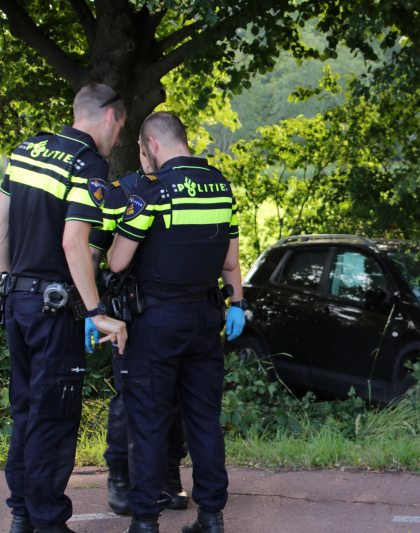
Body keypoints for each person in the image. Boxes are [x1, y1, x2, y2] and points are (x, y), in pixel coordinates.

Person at [0, 84, 128, 533]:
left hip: (17, 301)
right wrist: (93, 311)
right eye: (121, 127)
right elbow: (74, 242)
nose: (119, 139)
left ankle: (21, 514)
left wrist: (11, 280)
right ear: (110, 117)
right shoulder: (88, 163)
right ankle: (48, 521)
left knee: (27, 407)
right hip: (55, 308)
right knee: (54, 412)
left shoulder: (27, 150)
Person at [106, 111, 245, 533]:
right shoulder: (221, 188)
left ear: (151, 144)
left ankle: (145, 521)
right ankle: (211, 517)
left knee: (148, 422)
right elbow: (230, 262)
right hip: (206, 319)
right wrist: (237, 302)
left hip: (155, 322)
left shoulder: (153, 191)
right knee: (203, 419)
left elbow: (117, 261)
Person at [85, 156, 189, 515]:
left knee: (174, 395)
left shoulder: (181, 191)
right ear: (146, 152)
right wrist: (91, 307)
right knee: (131, 397)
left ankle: (169, 474)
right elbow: (93, 249)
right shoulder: (120, 192)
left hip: (170, 311)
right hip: (127, 314)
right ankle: (120, 475)